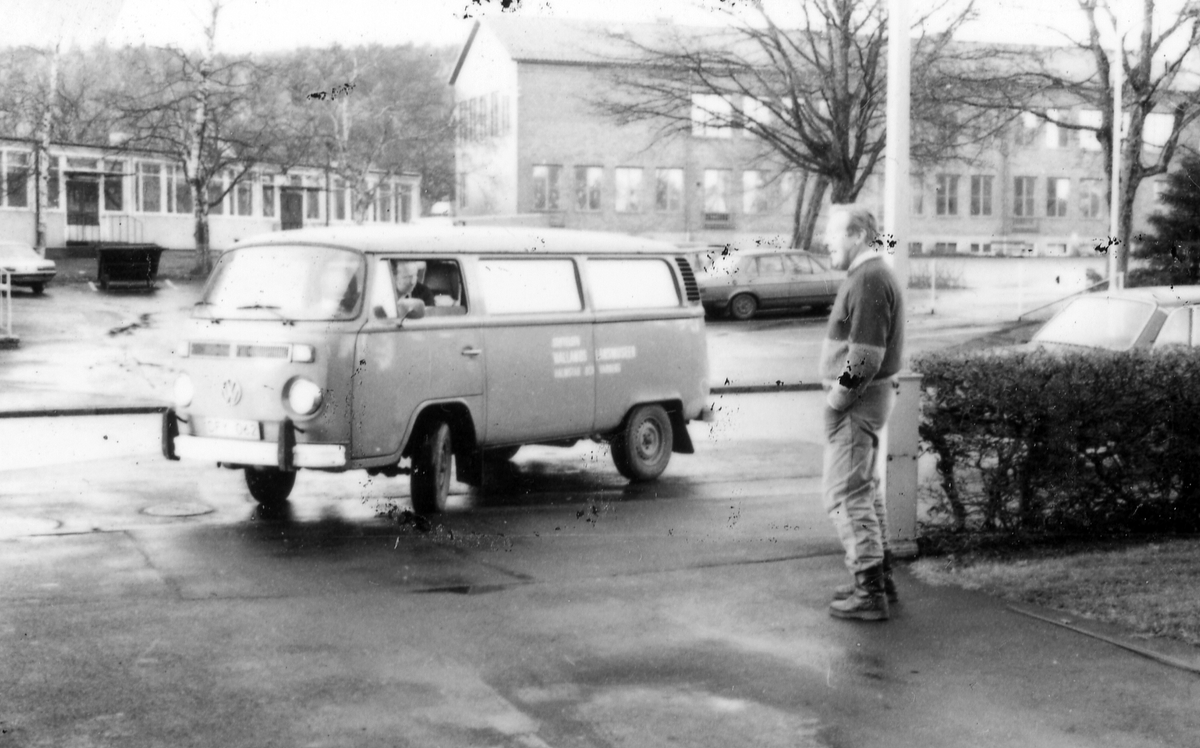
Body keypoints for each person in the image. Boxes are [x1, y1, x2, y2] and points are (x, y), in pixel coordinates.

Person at [818, 204, 906, 622]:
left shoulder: (869, 278)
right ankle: (878, 576)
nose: (826, 242)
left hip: (858, 402)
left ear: (855, 236)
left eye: (832, 235)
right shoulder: (868, 275)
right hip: (867, 400)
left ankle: (869, 590)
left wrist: (836, 403)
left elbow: (866, 358)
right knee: (863, 489)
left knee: (844, 493)